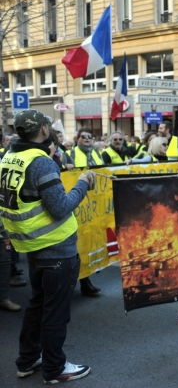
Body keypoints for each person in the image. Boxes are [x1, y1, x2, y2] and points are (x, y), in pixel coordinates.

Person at [0, 109, 92, 383]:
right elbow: (61, 207)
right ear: (43, 130)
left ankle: (27, 361)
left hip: (32, 247)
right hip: (57, 249)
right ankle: (54, 368)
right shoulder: (40, 162)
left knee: (38, 306)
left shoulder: (9, 158)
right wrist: (83, 184)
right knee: (55, 312)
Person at [67, 128, 103, 296]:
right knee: (79, 241)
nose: (87, 139)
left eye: (90, 137)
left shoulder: (97, 154)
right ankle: (77, 282)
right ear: (78, 139)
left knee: (89, 240)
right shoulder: (70, 154)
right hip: (78, 201)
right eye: (84, 137)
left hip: (95, 203)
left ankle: (85, 279)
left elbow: (104, 170)